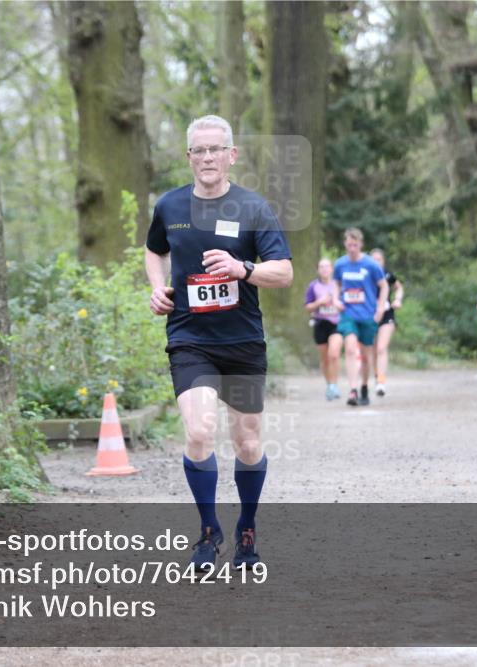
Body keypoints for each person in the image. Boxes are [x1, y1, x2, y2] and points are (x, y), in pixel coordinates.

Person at [145, 115, 293, 571]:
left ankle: (246, 530)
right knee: (199, 431)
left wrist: (242, 269)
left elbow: (284, 272)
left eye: (216, 149)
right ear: (189, 157)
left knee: (248, 443)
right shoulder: (170, 207)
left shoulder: (252, 209)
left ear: (232, 155)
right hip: (190, 339)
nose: (207, 158)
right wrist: (156, 287)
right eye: (199, 150)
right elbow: (155, 250)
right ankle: (208, 533)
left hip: (243, 342)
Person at [334, 229, 388, 406]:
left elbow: (384, 286)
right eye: (349, 245)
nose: (352, 248)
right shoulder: (340, 264)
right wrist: (336, 299)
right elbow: (336, 283)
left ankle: (364, 386)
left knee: (365, 356)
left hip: (367, 315)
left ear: (361, 245)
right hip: (348, 313)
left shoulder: (371, 265)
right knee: (350, 349)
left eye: (355, 245)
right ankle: (353, 390)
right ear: (345, 244)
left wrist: (380, 308)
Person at [305, 258, 344, 400]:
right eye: (321, 267)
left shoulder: (338, 285)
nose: (324, 269)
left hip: (337, 323)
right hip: (320, 323)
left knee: (333, 354)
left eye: (327, 267)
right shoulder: (313, 286)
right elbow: (307, 307)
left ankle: (335, 385)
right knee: (325, 358)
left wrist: (336, 303)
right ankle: (329, 385)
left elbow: (346, 305)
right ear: (318, 270)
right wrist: (319, 303)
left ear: (332, 269)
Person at [369, 248, 404, 396]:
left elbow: (399, 287)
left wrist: (397, 299)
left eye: (379, 259)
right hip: (369, 315)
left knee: (381, 348)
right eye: (373, 259)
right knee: (372, 350)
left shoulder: (388, 275)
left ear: (383, 262)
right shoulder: (365, 275)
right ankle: (377, 376)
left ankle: (381, 382)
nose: (376, 262)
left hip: (387, 314)